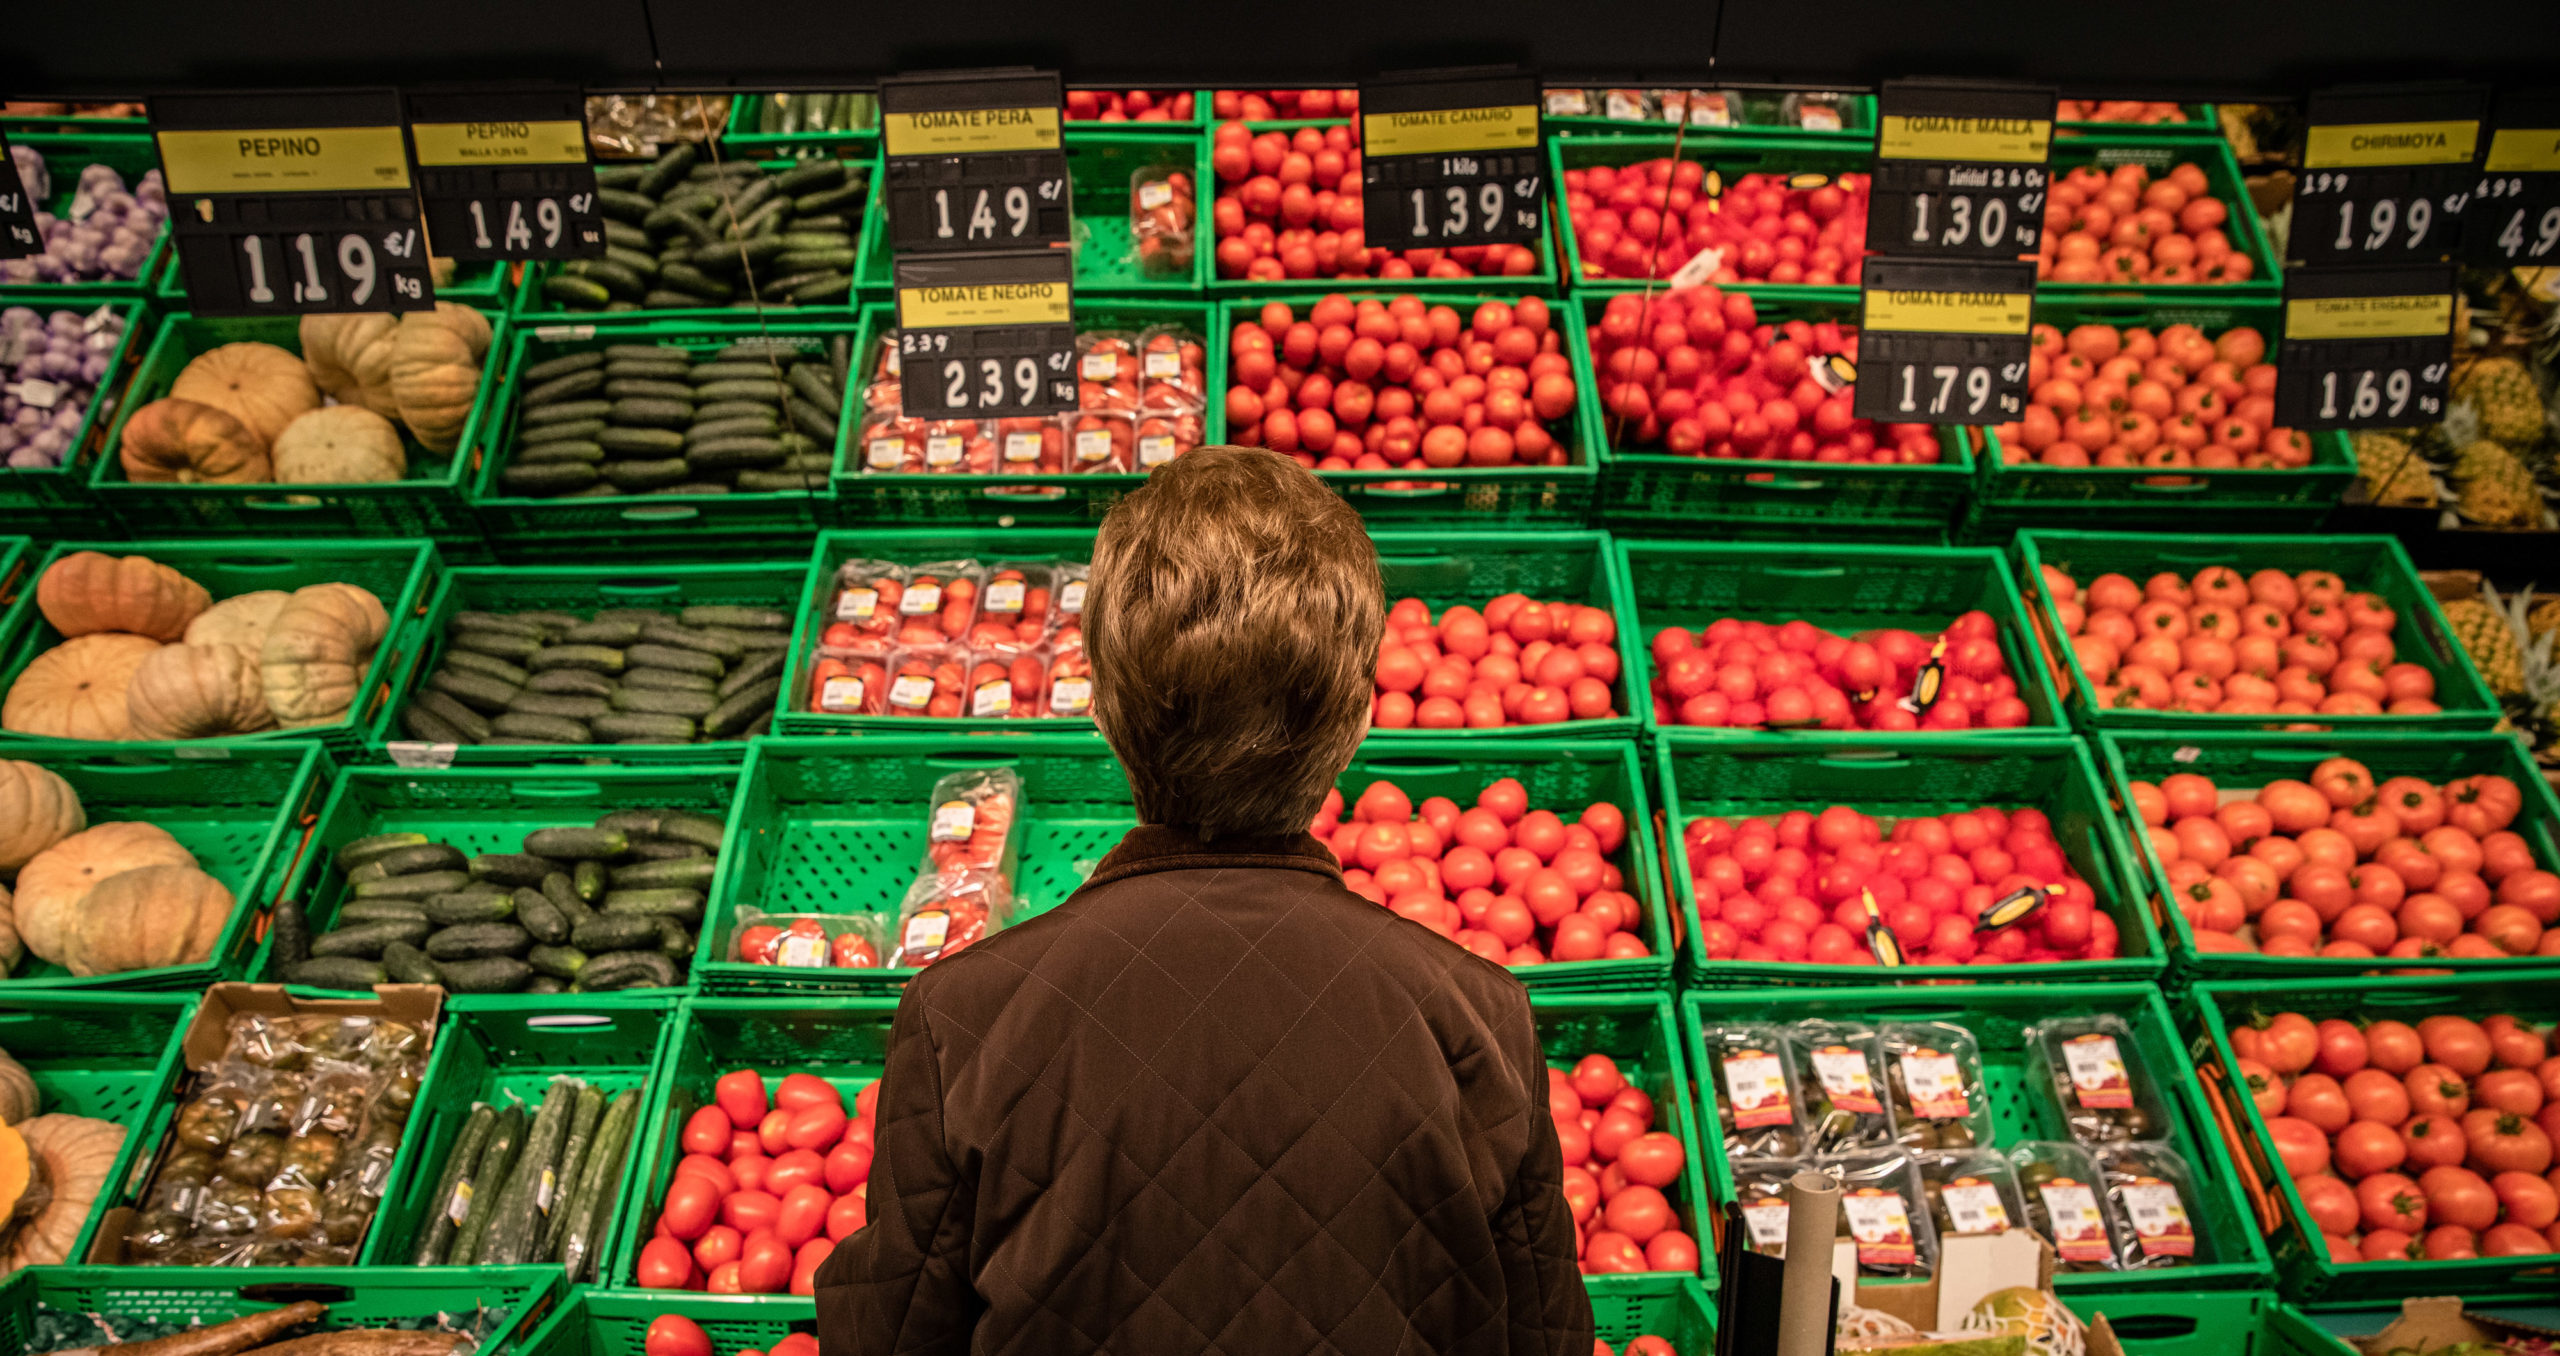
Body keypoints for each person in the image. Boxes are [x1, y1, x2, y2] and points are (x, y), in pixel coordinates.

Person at [817, 447, 1591, 1355]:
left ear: (1103, 711)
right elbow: (1543, 1339)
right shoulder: (1480, 1021)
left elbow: (891, 1335)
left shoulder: (962, 1018)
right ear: (1354, 725)